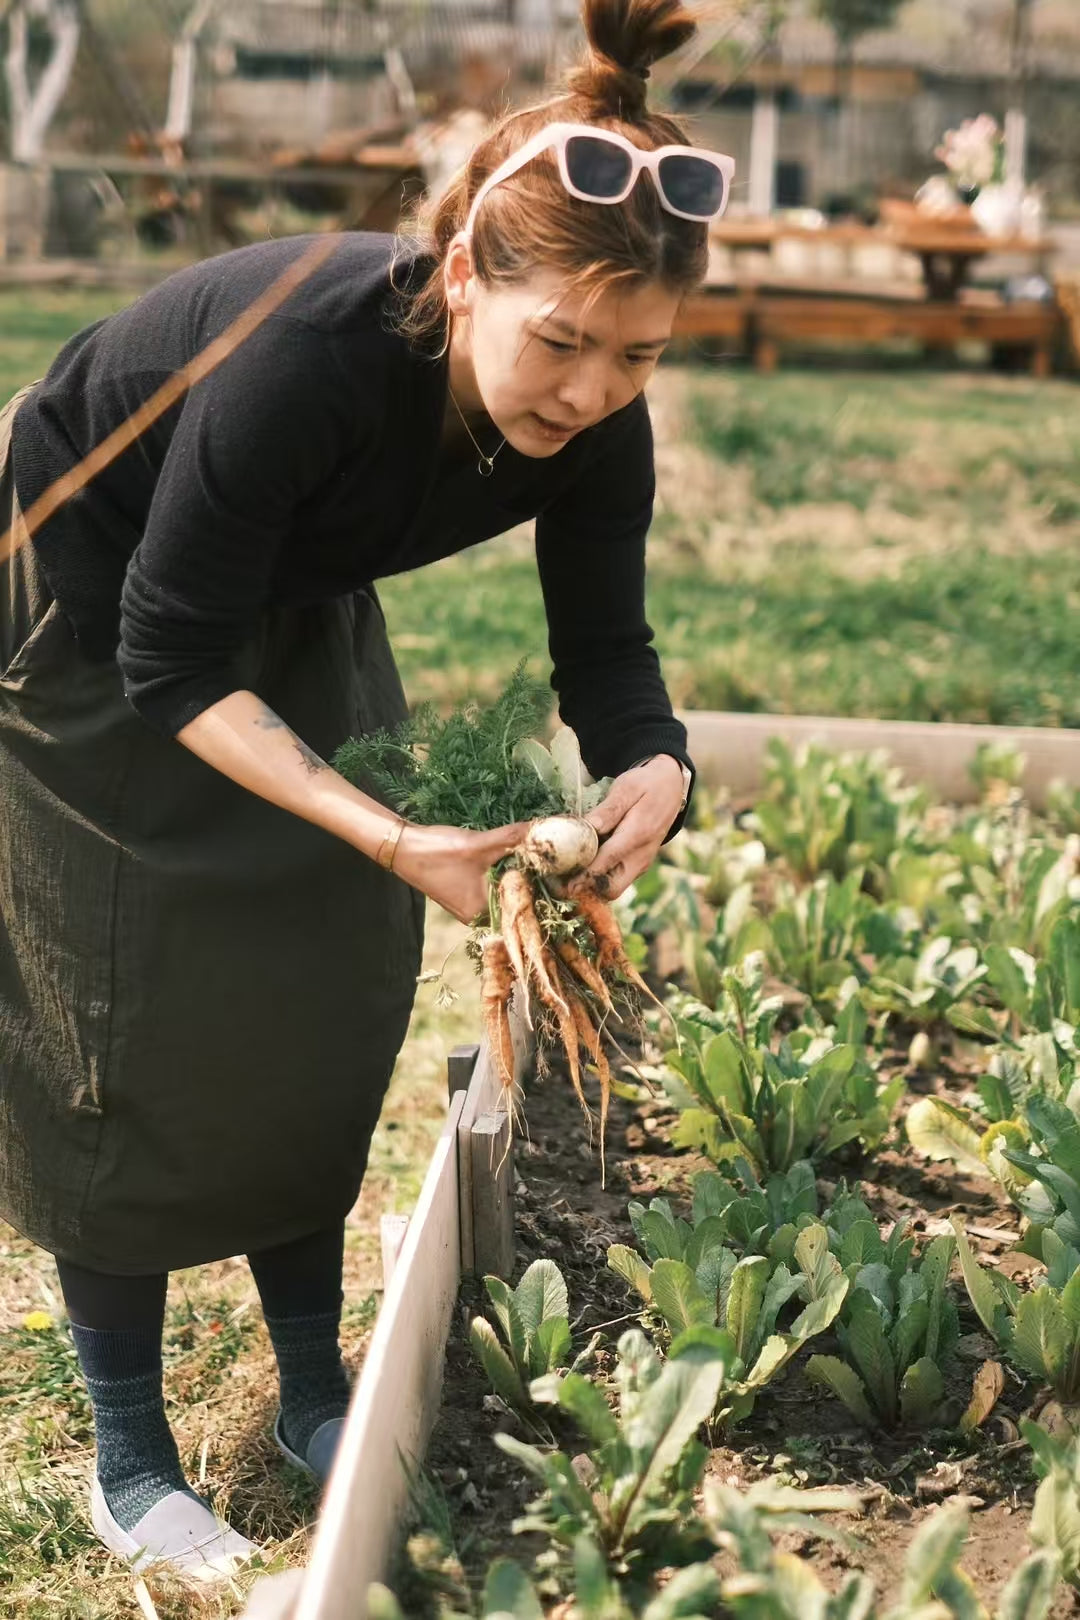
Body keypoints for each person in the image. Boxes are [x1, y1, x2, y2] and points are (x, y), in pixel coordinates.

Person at [0, 0, 733, 1580]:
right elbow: (171, 660)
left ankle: (314, 1388)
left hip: (276, 590)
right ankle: (128, 1450)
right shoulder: (315, 356)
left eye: (639, 356)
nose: (595, 389)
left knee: (323, 980)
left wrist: (655, 759)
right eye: (560, 343)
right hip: (87, 598)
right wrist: (400, 832)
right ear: (465, 275)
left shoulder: (597, 413)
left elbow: (607, 649)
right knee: (121, 1004)